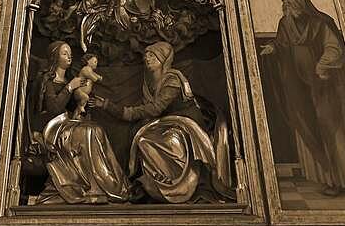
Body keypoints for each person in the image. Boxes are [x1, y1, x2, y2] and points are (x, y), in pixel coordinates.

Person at [260, 0, 345, 204]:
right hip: (299, 87)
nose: (287, 5)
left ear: (302, 0)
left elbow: (334, 47)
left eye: (291, 0)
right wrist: (272, 48)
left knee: (335, 132)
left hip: (324, 85)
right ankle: (332, 181)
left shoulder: (320, 22)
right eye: (284, 1)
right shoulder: (285, 24)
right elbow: (282, 44)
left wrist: (323, 66)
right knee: (311, 131)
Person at [91, 41, 217, 204]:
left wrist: (118, 110)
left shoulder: (172, 79)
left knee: (159, 140)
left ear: (163, 59)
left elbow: (156, 109)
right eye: (146, 55)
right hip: (165, 124)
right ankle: (157, 184)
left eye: (152, 55)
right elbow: (150, 111)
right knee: (142, 139)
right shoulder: (148, 83)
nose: (146, 58)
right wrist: (109, 107)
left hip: (185, 123)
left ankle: (179, 185)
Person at [35, 41, 130, 204]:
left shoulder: (72, 79)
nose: (69, 56)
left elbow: (72, 107)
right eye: (64, 53)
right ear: (54, 57)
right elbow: (53, 108)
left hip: (68, 122)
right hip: (53, 126)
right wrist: (69, 88)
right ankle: (86, 185)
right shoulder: (47, 80)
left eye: (70, 53)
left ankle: (104, 185)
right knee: (88, 132)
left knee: (96, 129)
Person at [74, 51, 102, 116]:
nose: (96, 64)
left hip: (84, 93)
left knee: (79, 108)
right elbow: (94, 78)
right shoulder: (85, 69)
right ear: (88, 61)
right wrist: (98, 78)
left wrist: (99, 77)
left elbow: (96, 75)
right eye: (95, 62)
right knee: (85, 98)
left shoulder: (90, 70)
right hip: (79, 92)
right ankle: (80, 108)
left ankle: (75, 117)